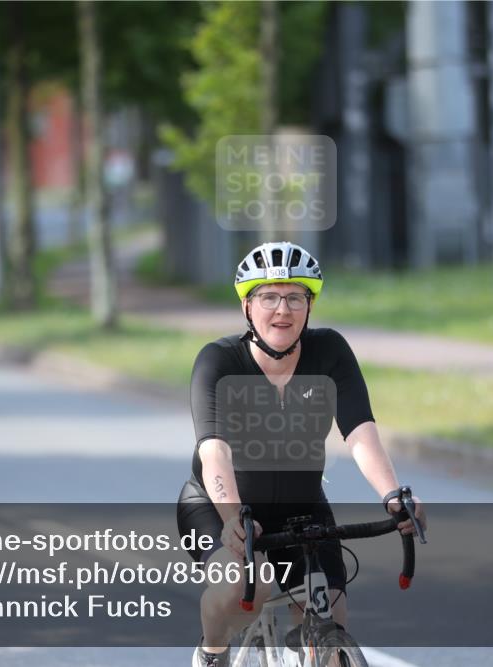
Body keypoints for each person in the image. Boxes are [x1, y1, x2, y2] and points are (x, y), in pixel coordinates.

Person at [177, 241, 427, 667]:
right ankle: (212, 651)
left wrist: (391, 494)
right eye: (269, 297)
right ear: (247, 307)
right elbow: (214, 451)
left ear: (309, 306)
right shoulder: (218, 362)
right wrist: (233, 516)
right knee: (241, 589)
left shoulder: (329, 353)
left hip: (303, 509)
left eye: (296, 297)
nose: (283, 310)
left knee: (329, 615)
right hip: (219, 505)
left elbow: (361, 434)